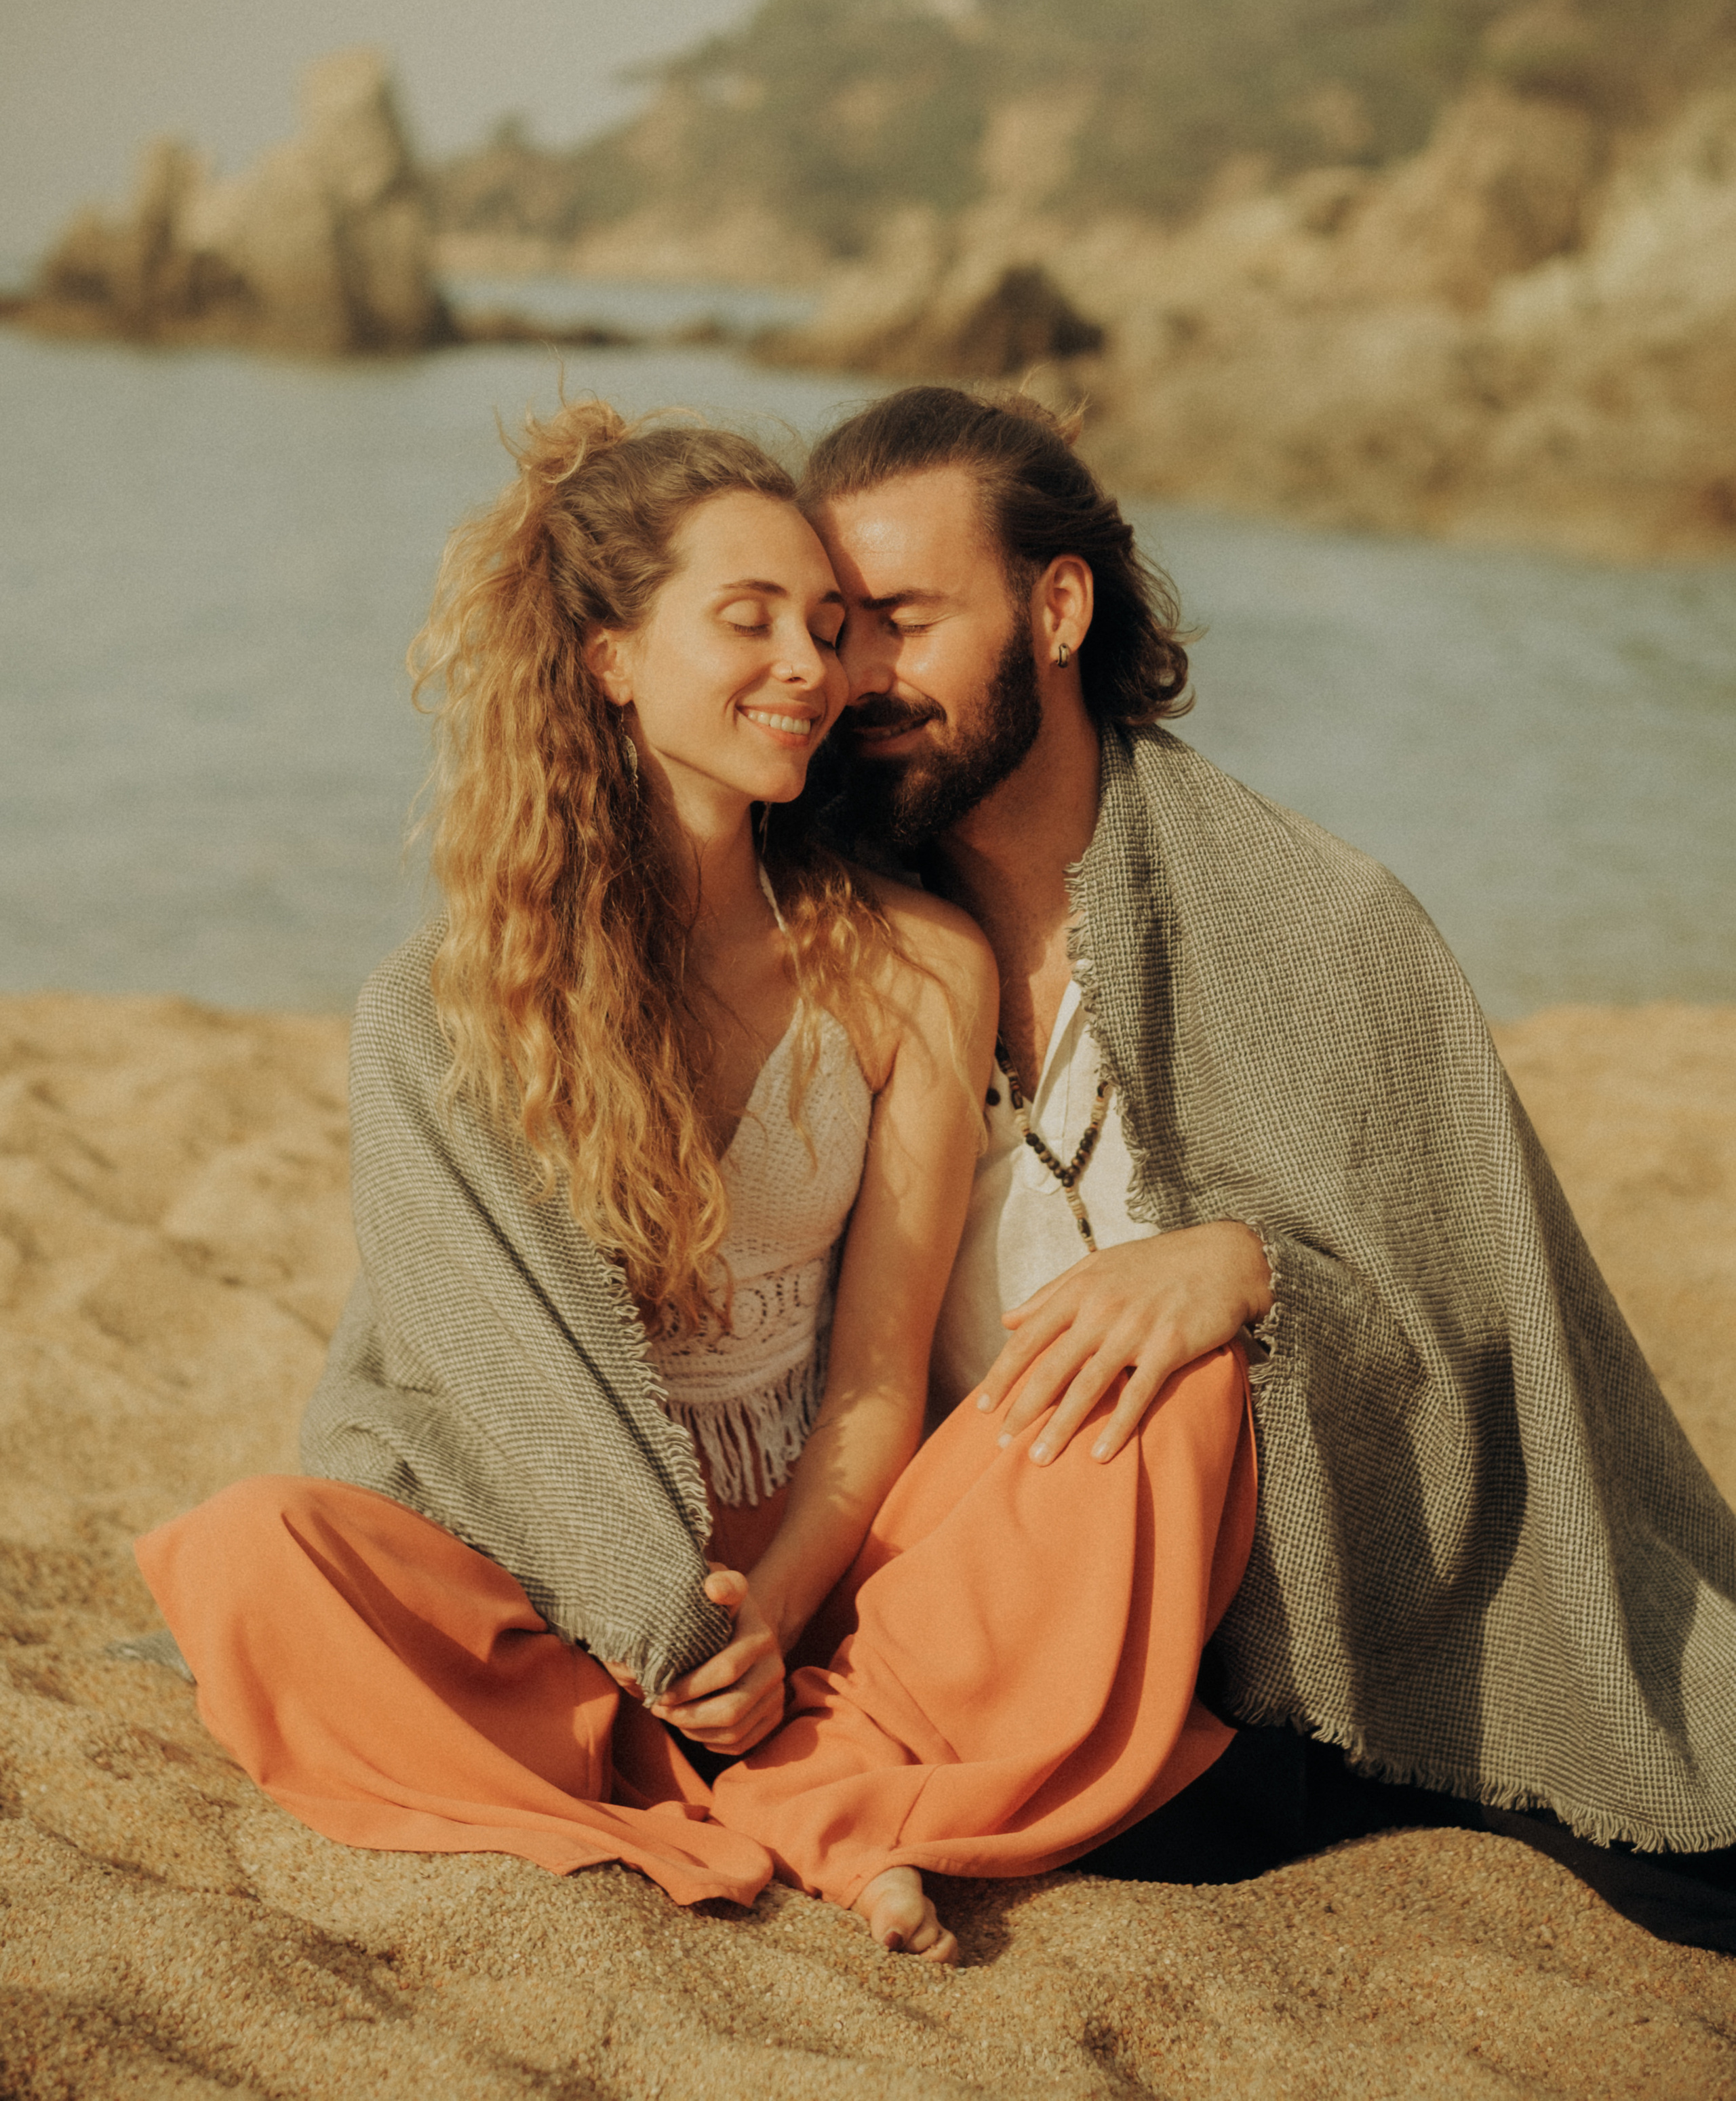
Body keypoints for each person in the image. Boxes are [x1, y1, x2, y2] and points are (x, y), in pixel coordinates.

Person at [134, 399, 1257, 1966]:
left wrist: (775, 1612)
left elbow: (875, 1382)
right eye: (751, 623)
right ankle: (784, 1785)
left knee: (1168, 1397)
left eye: (827, 624)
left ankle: (781, 1761)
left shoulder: (915, 969)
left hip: (834, 1576)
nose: (814, 669)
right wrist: (657, 1615)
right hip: (557, 1575)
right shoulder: (459, 1007)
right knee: (259, 1550)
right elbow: (496, 1386)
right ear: (610, 660)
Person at [797, 382, 1736, 1936]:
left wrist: (1251, 1268)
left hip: (1235, 1627)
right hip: (952, 1567)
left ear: (1057, 607)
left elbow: (1470, 1340)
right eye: (842, 631)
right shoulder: (831, 921)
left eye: (903, 617)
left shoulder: (1316, 923)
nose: (862, 679)